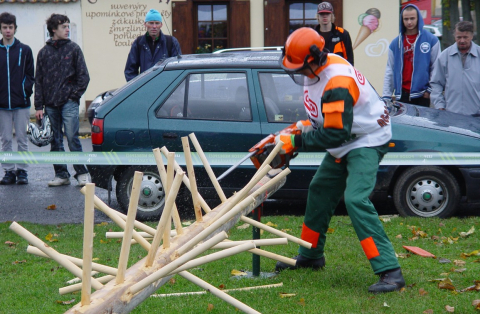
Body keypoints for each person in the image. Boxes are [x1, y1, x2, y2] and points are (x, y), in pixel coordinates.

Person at [274, 27, 405, 293]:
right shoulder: (319, 70)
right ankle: (310, 256)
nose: (297, 73)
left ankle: (390, 271)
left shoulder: (337, 82)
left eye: (300, 67)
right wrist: (304, 127)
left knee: (356, 199)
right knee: (320, 190)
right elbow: (327, 120)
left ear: (314, 59)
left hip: (366, 140)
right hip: (346, 137)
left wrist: (297, 141)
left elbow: (334, 134)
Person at [34, 13, 90, 187]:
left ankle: (82, 173)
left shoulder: (74, 49)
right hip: (50, 105)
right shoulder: (43, 53)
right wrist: (39, 106)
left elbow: (84, 76)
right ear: (53, 30)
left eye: (68, 26)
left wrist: (73, 96)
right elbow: (39, 81)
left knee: (73, 138)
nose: (67, 29)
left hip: (69, 103)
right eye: (63, 26)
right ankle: (61, 174)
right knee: (55, 140)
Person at [383, 4, 440, 107]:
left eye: (412, 18)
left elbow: (436, 67)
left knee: (422, 123)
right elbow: (390, 70)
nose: (409, 22)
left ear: (418, 18)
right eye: (406, 19)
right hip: (402, 95)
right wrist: (386, 96)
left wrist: (429, 90)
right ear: (402, 20)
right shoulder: (395, 43)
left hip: (422, 95)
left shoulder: (431, 40)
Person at [0, 12, 34, 185]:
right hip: (2, 105)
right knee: (5, 139)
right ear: (1, 29)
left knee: (22, 138)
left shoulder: (25, 50)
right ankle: (8, 171)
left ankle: (22, 171)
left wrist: (24, 91)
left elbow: (30, 75)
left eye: (10, 27)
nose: (8, 31)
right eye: (5, 27)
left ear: (15, 28)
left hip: (21, 103)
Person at [430, 21, 480, 115]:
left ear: (472, 36)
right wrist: (440, 105)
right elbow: (436, 83)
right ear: (454, 36)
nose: (462, 40)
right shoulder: (445, 56)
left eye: (465, 37)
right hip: (451, 115)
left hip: (477, 117)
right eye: (459, 37)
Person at [124, 9, 182, 82]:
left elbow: (178, 69)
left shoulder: (171, 42)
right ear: (145, 24)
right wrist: (138, 88)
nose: (154, 26)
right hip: (144, 90)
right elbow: (130, 71)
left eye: (157, 23)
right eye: (151, 23)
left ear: (161, 25)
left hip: (166, 90)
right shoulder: (138, 43)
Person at [313, 1, 354, 66]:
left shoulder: (342, 34)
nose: (325, 16)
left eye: (327, 14)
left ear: (332, 15)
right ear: (318, 16)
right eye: (322, 14)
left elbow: (349, 60)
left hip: (338, 72)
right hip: (318, 73)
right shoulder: (312, 35)